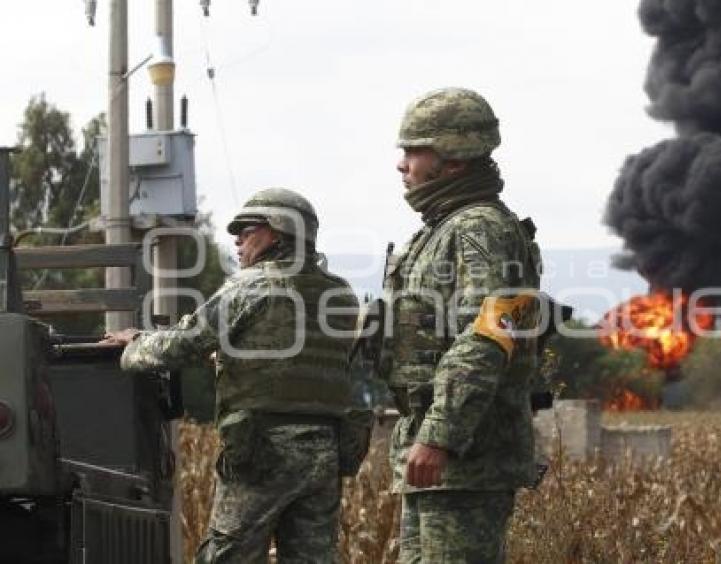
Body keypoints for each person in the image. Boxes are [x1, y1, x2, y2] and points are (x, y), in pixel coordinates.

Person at [106, 188, 360, 564]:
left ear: (277, 232)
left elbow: (183, 345)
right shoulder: (340, 294)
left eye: (246, 229)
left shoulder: (252, 285)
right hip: (325, 451)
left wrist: (132, 347)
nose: (237, 239)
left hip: (263, 451)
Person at [385, 87, 543, 563]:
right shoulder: (441, 230)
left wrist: (440, 434)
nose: (402, 164)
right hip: (444, 462)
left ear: (453, 160)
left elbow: (489, 336)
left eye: (414, 150)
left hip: (466, 459)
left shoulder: (479, 229)